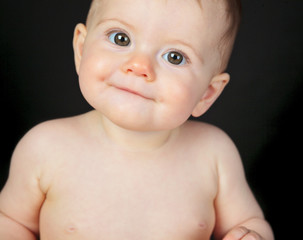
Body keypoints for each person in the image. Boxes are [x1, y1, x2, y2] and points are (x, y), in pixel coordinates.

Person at [0, 0, 273, 239]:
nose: (139, 66)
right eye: (121, 38)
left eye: (174, 57)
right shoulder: (44, 147)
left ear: (207, 93)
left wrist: (250, 236)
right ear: (82, 49)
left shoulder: (214, 154)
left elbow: (248, 223)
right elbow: (10, 222)